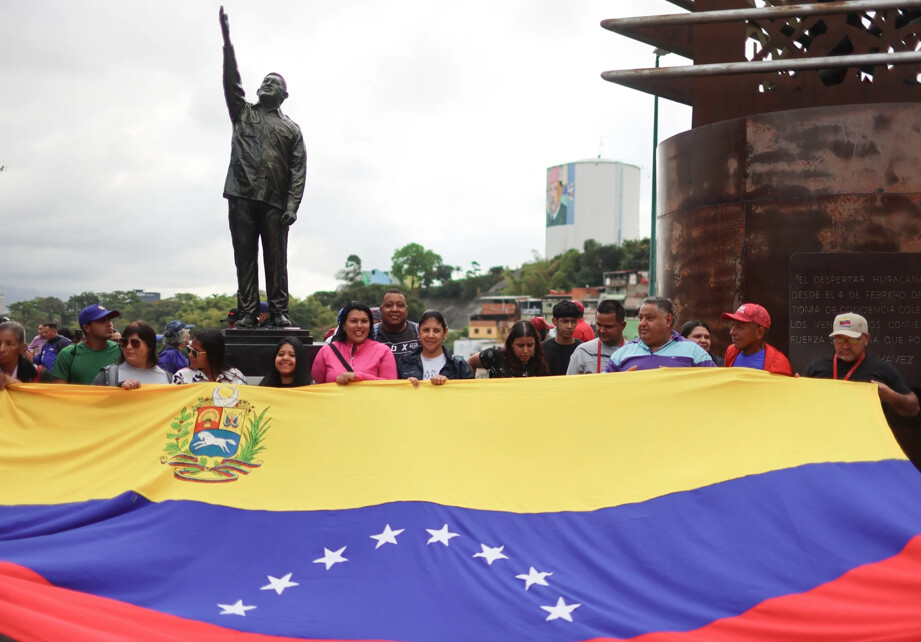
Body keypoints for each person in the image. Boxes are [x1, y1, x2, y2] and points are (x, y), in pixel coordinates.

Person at [220, 7, 306, 329]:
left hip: (274, 201)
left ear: (284, 95)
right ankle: (247, 312)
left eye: (275, 82)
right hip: (241, 194)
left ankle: (279, 311)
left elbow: (298, 171)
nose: (267, 84)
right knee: (245, 258)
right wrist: (228, 44)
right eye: (264, 81)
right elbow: (231, 81)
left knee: (276, 259)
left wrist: (292, 205)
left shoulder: (292, 130)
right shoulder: (243, 112)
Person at [803, 312, 919, 418]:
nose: (845, 346)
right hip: (825, 435)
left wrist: (891, 396)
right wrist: (799, 388)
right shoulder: (816, 368)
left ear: (866, 338)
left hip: (866, 437)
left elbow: (913, 409)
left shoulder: (882, 369)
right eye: (839, 340)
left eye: (852, 340)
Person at [605, 297, 716, 372]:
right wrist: (621, 382)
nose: (642, 323)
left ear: (668, 320)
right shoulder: (622, 354)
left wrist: (683, 381)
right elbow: (603, 387)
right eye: (640, 318)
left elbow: (714, 384)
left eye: (649, 318)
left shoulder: (695, 352)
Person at [311, 302, 397, 385]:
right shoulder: (327, 351)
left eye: (364, 321)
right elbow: (316, 386)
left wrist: (358, 377)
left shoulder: (383, 351)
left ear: (370, 326)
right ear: (343, 326)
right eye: (353, 321)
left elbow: (390, 385)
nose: (359, 326)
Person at [397, 310, 474, 386]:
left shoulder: (458, 365)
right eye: (426, 330)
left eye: (436, 331)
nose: (430, 335)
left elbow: (471, 393)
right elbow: (395, 393)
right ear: (418, 331)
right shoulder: (405, 362)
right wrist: (405, 385)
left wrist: (449, 385)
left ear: (445, 333)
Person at [52, 304, 121, 384]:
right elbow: (58, 392)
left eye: (109, 320)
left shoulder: (122, 351)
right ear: (87, 328)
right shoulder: (68, 354)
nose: (109, 324)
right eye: (102, 321)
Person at [93, 321, 170, 389]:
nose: (128, 347)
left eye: (135, 342)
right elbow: (92, 402)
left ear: (150, 346)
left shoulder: (167, 378)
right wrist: (118, 388)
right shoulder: (108, 376)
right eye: (124, 342)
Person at [721, 303, 792, 376]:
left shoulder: (778, 364)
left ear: (759, 333)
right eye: (733, 325)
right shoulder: (731, 352)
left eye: (740, 327)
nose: (732, 332)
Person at [467, 320, 549, 378]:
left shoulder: (541, 361)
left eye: (530, 345)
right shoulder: (495, 356)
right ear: (511, 343)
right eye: (520, 346)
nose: (525, 351)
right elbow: (469, 363)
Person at [568, 299, 627, 374]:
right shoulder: (582, 352)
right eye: (599, 325)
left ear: (622, 326)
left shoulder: (633, 354)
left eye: (608, 326)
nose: (602, 330)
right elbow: (570, 384)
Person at [172, 329, 247, 385]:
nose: (190, 355)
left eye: (195, 352)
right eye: (189, 350)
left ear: (212, 354)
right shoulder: (182, 377)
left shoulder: (235, 376)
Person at [0, 321, 52, 390]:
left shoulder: (40, 375)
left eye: (9, 344)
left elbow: (43, 399)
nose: (2, 349)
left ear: (22, 348)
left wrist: (18, 385)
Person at [371, 289, 420, 356]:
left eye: (400, 305)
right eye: (388, 305)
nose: (394, 309)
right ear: (381, 310)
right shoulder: (370, 333)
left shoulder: (420, 332)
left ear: (406, 310)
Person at [542, 300, 583, 376]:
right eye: (565, 321)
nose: (569, 326)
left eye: (573, 321)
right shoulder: (543, 348)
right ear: (554, 321)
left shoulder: (582, 350)